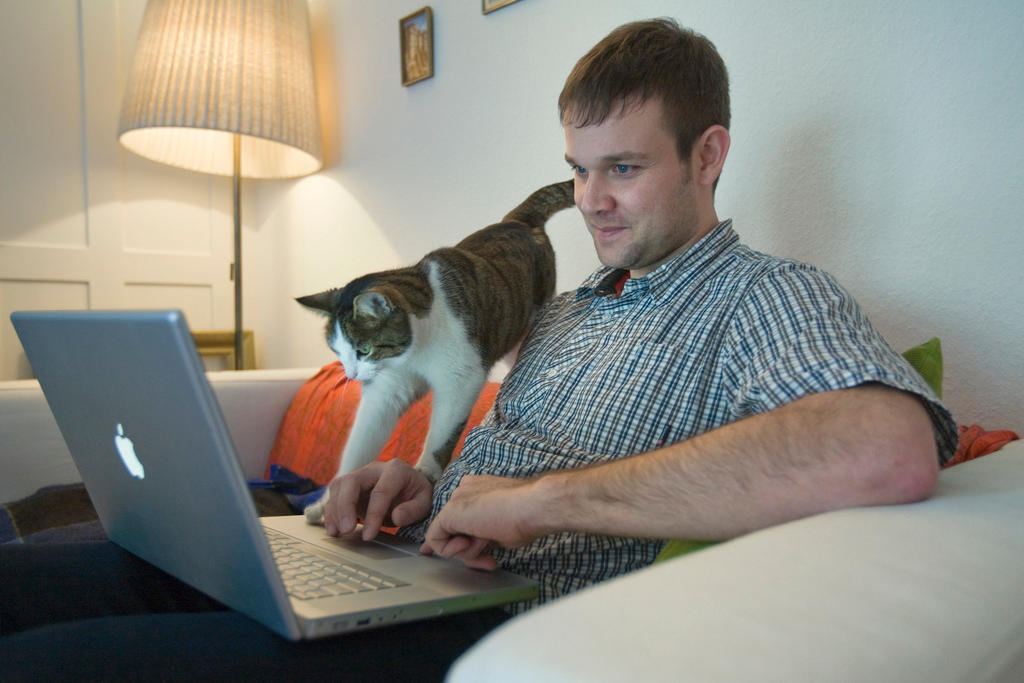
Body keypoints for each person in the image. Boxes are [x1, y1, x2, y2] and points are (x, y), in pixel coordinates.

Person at [1, 18, 955, 679]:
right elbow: (477, 455)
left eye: (624, 168)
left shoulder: (767, 296)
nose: (590, 202)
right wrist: (421, 482)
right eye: (578, 170)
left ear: (708, 155)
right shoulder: (565, 309)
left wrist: (541, 504)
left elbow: (886, 444)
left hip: (483, 627)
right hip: (395, 568)